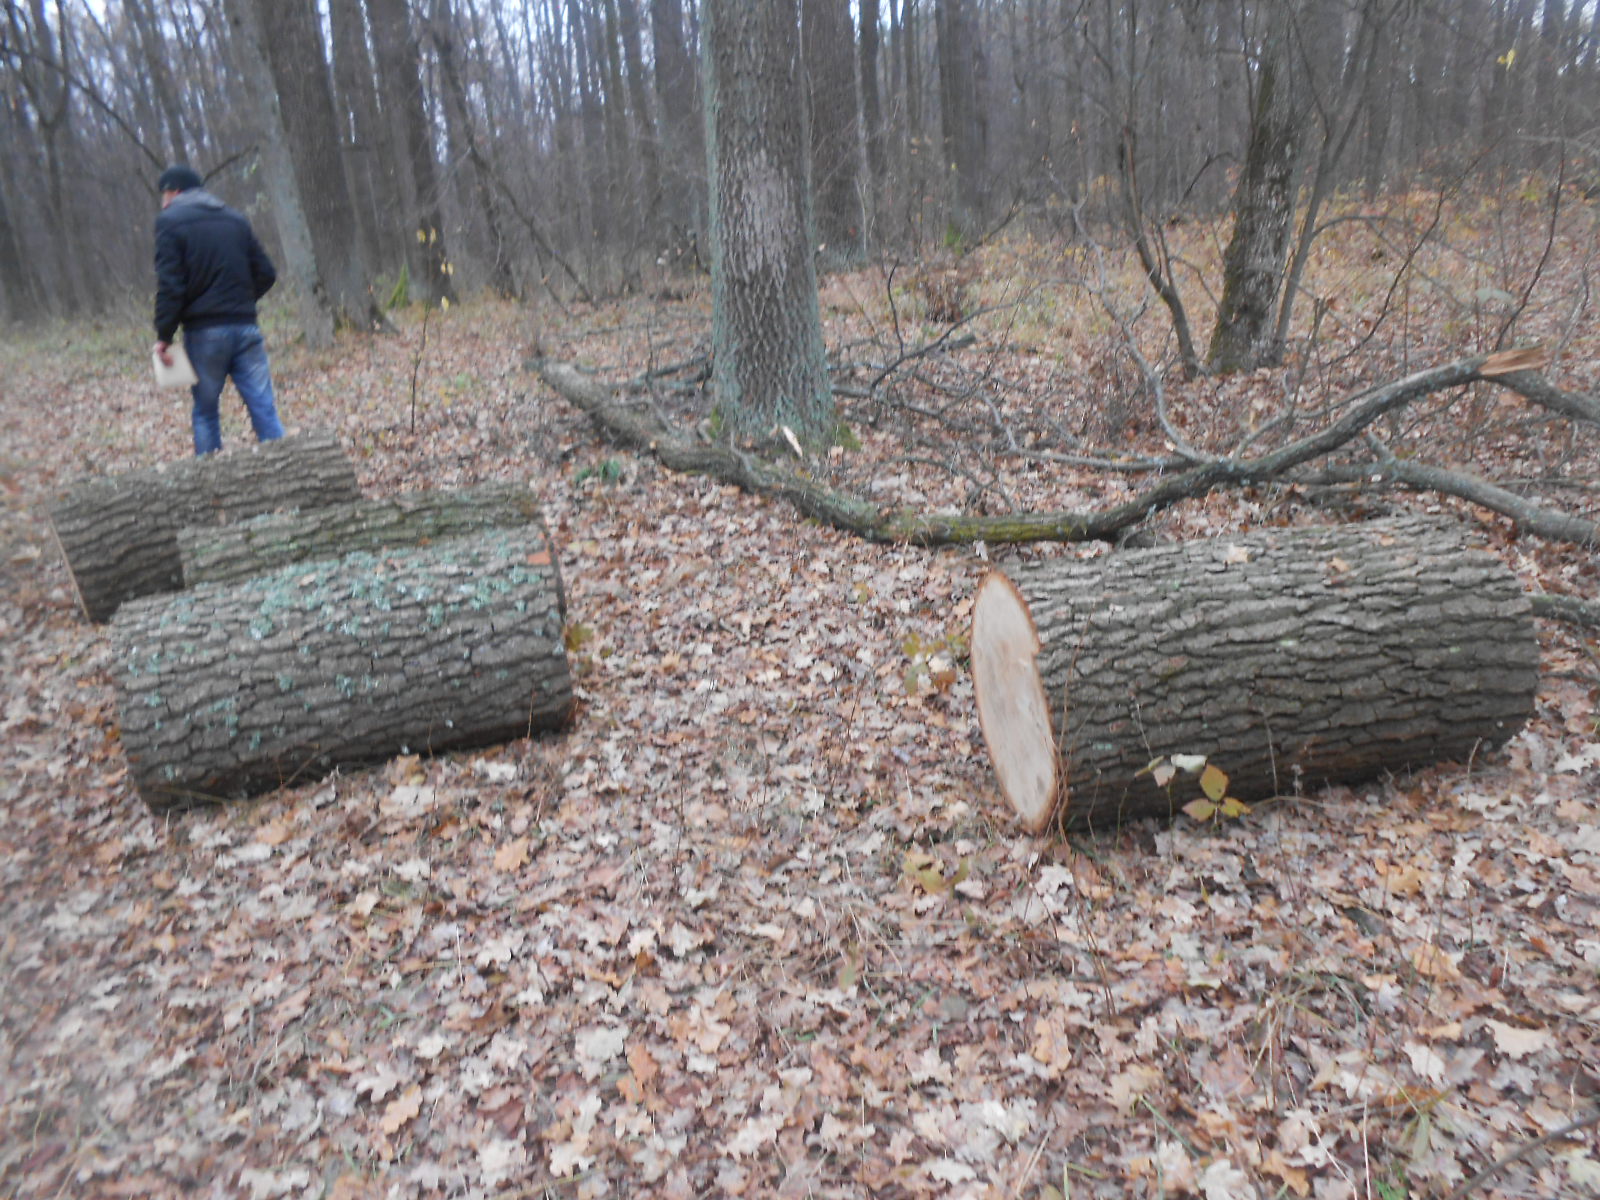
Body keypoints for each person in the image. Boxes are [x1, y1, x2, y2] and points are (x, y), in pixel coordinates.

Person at [152, 164, 285, 456]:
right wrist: (241, 302)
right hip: (247, 328)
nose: (162, 202)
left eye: (163, 194)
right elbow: (266, 273)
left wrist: (164, 335)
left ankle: (212, 489)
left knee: (205, 412)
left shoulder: (169, 221)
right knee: (264, 408)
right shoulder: (235, 219)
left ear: (174, 191)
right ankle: (290, 474)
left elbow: (171, 287)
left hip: (204, 334)